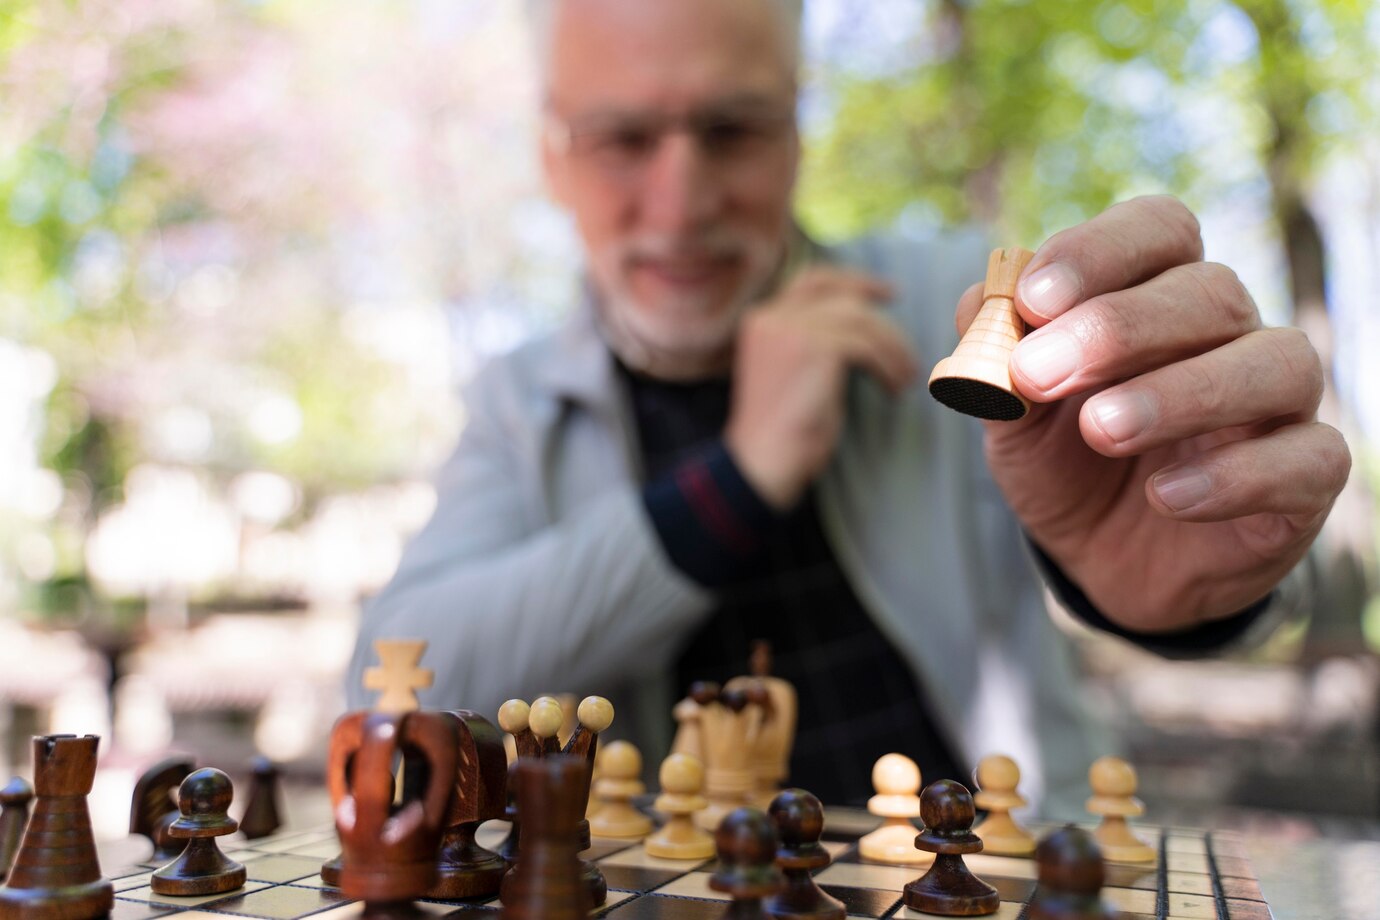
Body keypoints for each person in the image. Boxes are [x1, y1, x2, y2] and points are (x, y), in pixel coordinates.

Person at [345, 0, 1350, 815]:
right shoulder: (515, 405)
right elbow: (392, 687)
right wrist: (738, 477)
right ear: (554, 157)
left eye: (732, 129)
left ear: (794, 133)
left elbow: (1252, 572)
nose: (682, 197)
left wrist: (1195, 584)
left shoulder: (956, 304)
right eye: (624, 137)